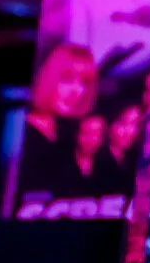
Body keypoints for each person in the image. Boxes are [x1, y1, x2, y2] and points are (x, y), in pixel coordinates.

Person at [14, 41, 99, 199]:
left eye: (85, 83)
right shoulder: (19, 132)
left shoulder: (69, 134)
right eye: (67, 79)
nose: (78, 91)